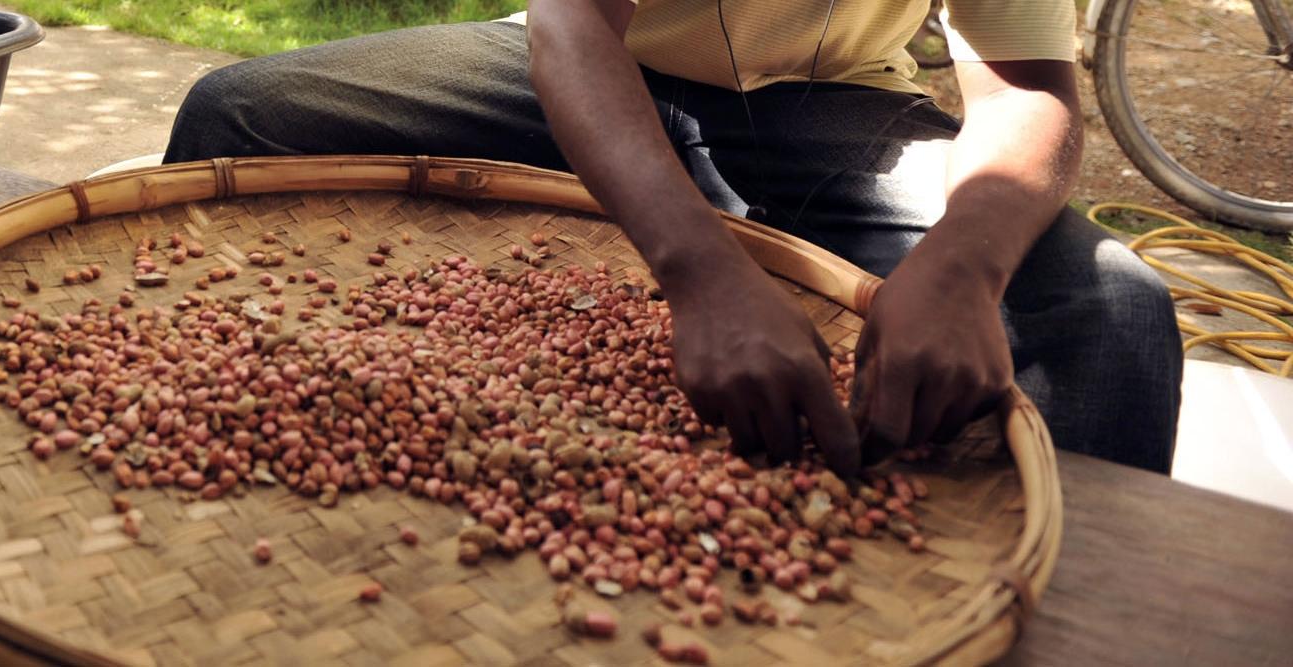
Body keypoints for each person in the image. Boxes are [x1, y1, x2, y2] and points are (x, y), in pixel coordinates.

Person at [162, 0, 1183, 474]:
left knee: (1114, 314)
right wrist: (700, 266)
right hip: (589, 75)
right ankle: (208, 412)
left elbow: (1025, 88)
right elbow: (572, 26)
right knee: (244, 114)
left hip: (835, 111)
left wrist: (962, 265)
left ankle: (1011, 603)